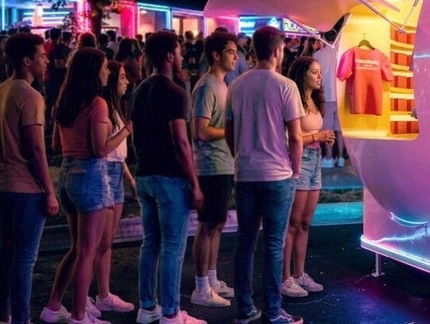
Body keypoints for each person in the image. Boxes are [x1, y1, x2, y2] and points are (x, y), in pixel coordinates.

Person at [42, 48, 131, 324]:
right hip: (91, 175)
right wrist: (126, 131)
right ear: (93, 71)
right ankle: (80, 315)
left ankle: (54, 306)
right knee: (87, 250)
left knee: (77, 248)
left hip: (67, 174)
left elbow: (56, 144)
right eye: (104, 68)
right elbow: (100, 148)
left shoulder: (65, 102)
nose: (107, 73)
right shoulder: (97, 103)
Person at [226, 26, 305, 324]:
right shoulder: (286, 86)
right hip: (277, 174)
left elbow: (229, 132)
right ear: (276, 51)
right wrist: (295, 169)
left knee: (245, 242)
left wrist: (239, 156)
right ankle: (273, 311)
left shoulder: (236, 86)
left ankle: (245, 308)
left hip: (245, 173)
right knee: (273, 243)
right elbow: (295, 136)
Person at [131, 30, 205, 324]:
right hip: (169, 177)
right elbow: (181, 142)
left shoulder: (140, 90)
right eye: (179, 51)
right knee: (173, 247)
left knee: (150, 243)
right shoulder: (175, 93)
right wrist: (194, 183)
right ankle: (172, 313)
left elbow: (136, 135)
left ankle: (147, 307)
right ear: (169, 56)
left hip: (145, 174)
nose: (182, 56)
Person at [0, 33, 59, 324]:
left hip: (2, 183)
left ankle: (1, 314)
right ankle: (21, 318)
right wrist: (49, 190)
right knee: (25, 259)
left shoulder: (0, 91)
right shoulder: (30, 96)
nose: (46, 60)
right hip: (25, 187)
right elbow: (36, 148)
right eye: (41, 55)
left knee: (6, 253)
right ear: (26, 60)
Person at [190, 32, 239, 308]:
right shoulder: (206, 86)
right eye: (231, 51)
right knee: (207, 225)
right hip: (210, 166)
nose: (236, 57)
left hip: (224, 163)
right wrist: (230, 131)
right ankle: (201, 287)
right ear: (216, 55)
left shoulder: (223, 85)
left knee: (218, 224)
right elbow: (200, 130)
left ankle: (211, 278)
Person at [280, 57, 335, 299]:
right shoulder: (293, 100)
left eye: (319, 72)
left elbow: (313, 134)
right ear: (302, 74)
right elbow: (289, 139)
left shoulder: (314, 100)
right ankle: (285, 277)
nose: (319, 76)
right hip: (300, 161)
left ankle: (300, 273)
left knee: (305, 223)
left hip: (315, 161)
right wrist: (317, 136)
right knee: (293, 222)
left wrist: (323, 138)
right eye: (314, 72)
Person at [92, 60, 137, 314]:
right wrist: (126, 131)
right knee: (98, 241)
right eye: (121, 77)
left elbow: (118, 154)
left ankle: (103, 293)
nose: (126, 82)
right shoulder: (102, 108)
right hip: (106, 173)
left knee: (107, 240)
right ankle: (85, 298)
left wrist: (130, 180)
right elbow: (104, 148)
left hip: (117, 172)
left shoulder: (113, 108)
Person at [313, 30, 346, 168]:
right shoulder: (342, 53)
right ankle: (341, 158)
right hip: (341, 96)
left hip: (326, 95)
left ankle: (329, 158)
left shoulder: (318, 55)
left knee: (328, 129)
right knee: (340, 130)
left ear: (323, 38)